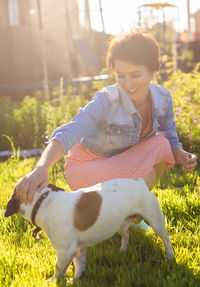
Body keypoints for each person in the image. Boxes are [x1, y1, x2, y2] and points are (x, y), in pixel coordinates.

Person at [16, 30, 197, 204]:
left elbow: (170, 139)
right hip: (85, 168)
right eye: (121, 75)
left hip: (119, 163)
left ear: (152, 71)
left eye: (136, 75)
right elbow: (67, 133)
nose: (127, 84)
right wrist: (42, 167)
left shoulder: (162, 97)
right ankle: (127, 213)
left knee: (161, 146)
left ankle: (124, 212)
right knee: (154, 158)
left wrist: (181, 155)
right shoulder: (107, 99)